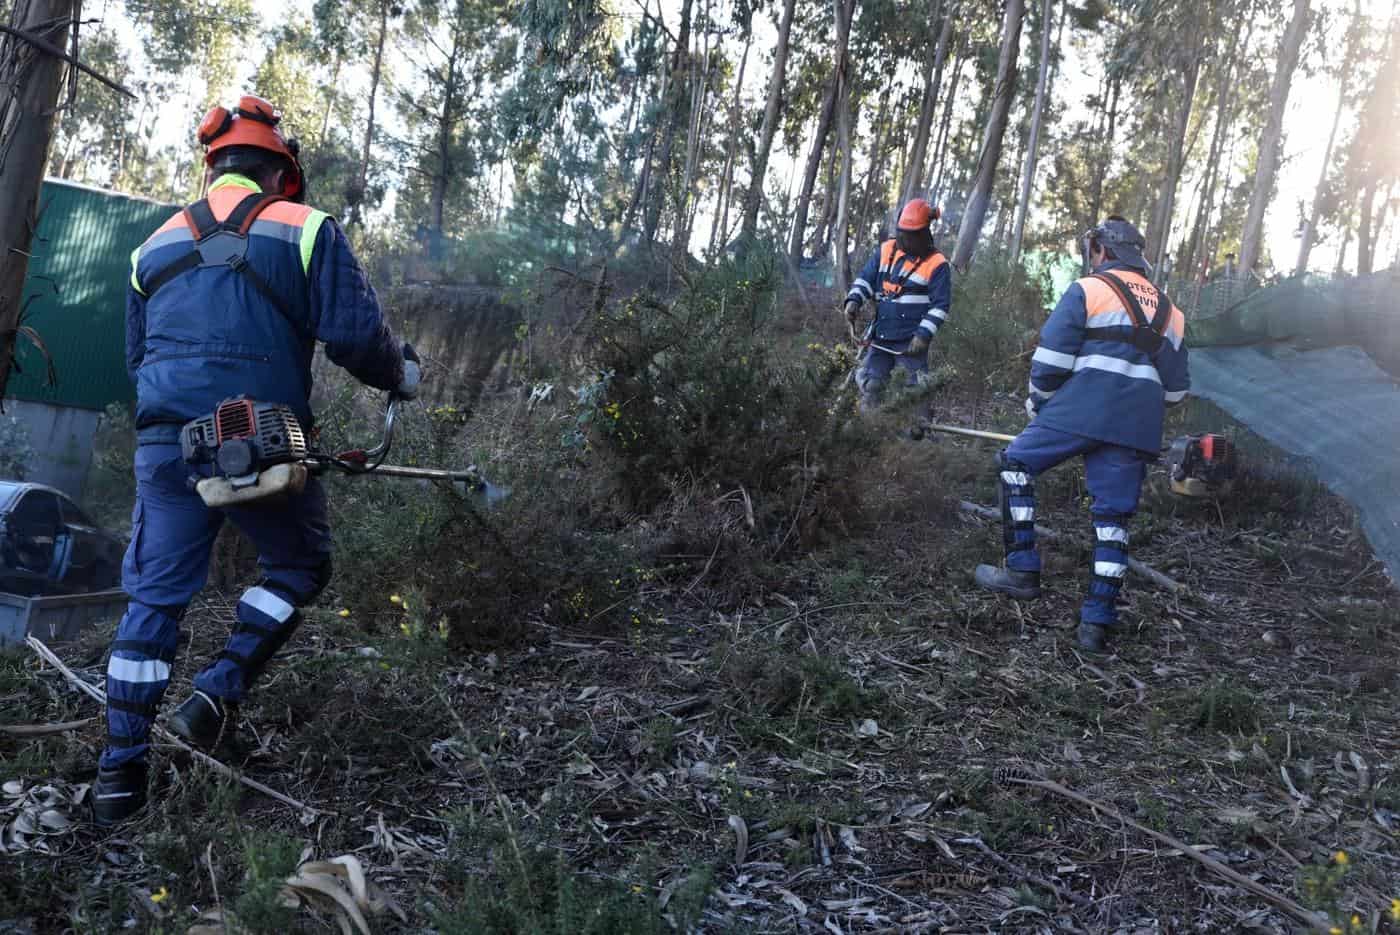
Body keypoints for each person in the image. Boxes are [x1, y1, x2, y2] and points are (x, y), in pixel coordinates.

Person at [91, 95, 419, 826]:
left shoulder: (152, 248)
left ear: (215, 169)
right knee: (301, 565)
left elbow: (136, 358)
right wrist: (402, 375)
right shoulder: (306, 230)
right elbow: (357, 338)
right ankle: (218, 689)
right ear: (280, 173)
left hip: (167, 446)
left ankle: (117, 783)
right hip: (265, 439)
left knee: (151, 604)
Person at [972, 216, 1190, 654]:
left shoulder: (1089, 289)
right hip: (1136, 426)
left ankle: (1022, 572)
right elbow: (1178, 391)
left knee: (1014, 465)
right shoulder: (1173, 312)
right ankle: (1096, 623)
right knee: (1112, 521)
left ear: (1102, 251)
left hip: (1079, 411)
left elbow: (1051, 359)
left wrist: (1040, 403)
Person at [842, 199, 951, 410]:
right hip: (881, 336)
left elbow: (940, 305)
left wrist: (923, 335)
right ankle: (869, 429)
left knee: (915, 392)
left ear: (923, 233)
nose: (904, 239)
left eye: (910, 235)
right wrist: (854, 300)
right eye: (902, 232)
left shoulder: (937, 263)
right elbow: (866, 278)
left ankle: (917, 434)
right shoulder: (886, 250)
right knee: (872, 384)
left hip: (910, 342)